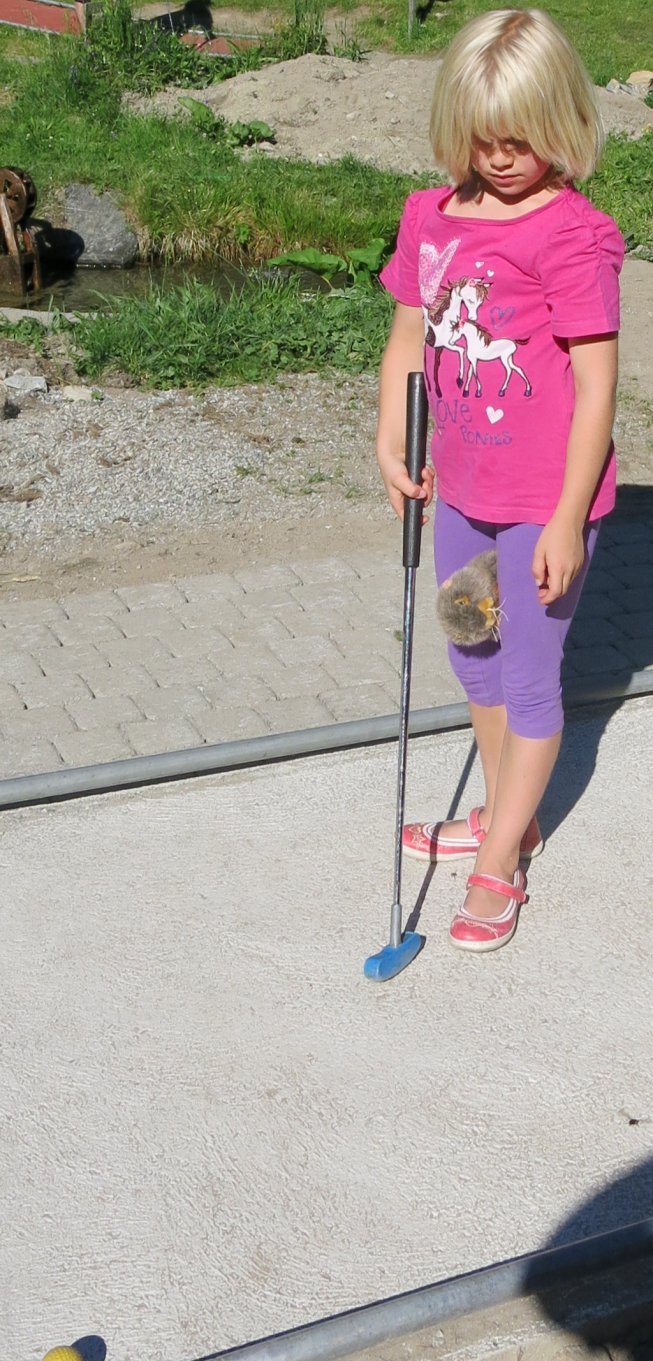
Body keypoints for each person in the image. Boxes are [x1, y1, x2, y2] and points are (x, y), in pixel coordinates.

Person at [377, 8, 623, 952]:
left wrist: (566, 520)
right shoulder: (429, 217)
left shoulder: (573, 235)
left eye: (521, 138)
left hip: (539, 503)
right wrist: (390, 438)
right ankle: (500, 812)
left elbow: (597, 386)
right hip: (462, 494)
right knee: (469, 649)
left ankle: (500, 863)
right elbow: (407, 337)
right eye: (483, 140)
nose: (502, 157)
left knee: (526, 675)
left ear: (559, 119)